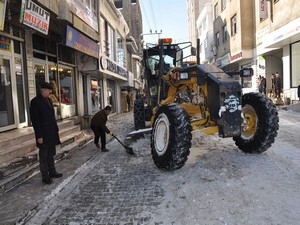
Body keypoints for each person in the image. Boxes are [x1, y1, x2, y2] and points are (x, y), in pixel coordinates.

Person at [30, 82, 62, 185]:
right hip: (43, 133)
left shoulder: (49, 100)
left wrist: (56, 129)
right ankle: (45, 176)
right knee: (43, 155)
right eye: (49, 91)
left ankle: (52, 172)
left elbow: (52, 116)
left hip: (51, 132)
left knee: (51, 154)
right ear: (44, 90)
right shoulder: (35, 102)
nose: (50, 93)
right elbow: (35, 120)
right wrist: (39, 136)